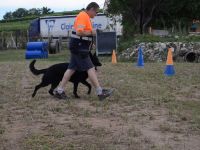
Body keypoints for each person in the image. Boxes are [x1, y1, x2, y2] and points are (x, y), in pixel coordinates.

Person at [54, 2, 114, 100]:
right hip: (79, 47)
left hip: (79, 45)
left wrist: (90, 42)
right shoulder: (83, 16)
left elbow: (81, 33)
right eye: (96, 12)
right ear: (91, 9)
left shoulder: (85, 17)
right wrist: (92, 32)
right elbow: (79, 32)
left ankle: (59, 90)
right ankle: (100, 92)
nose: (96, 14)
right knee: (90, 68)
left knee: (71, 69)